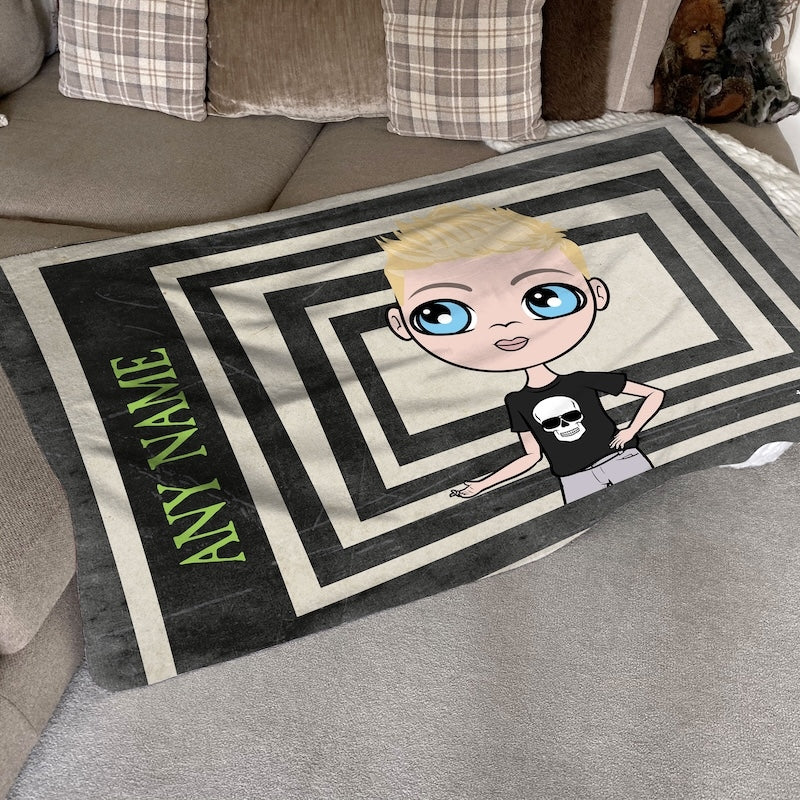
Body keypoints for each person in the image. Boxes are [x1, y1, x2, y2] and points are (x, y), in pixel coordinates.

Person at [378, 204, 665, 504]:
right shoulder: (517, 402)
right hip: (573, 479)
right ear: (401, 325)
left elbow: (653, 394)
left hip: (621, 458)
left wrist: (630, 430)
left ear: (596, 294)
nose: (504, 326)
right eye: (443, 316)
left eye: (548, 299)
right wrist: (482, 484)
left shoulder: (582, 380)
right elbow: (531, 455)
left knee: (657, 506)